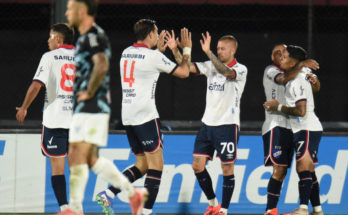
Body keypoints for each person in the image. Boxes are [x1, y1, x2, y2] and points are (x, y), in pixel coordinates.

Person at [95, 19, 192, 215]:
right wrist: (184, 49)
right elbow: (184, 72)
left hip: (128, 117)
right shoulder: (152, 57)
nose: (158, 37)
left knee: (142, 165)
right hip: (145, 117)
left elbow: (145, 70)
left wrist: (159, 52)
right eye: (156, 33)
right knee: (156, 167)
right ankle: (146, 212)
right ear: (149, 35)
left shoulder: (126, 52)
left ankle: (108, 194)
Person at [61, 1, 147, 215]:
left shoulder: (92, 36)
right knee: (90, 159)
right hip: (91, 106)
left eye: (70, 8)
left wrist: (89, 92)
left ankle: (74, 208)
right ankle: (131, 193)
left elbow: (101, 64)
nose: (66, 11)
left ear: (82, 11)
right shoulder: (86, 37)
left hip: (92, 105)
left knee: (75, 153)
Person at [169, 31, 247, 215]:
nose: (219, 51)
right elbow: (187, 67)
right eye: (217, 48)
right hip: (207, 125)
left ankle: (224, 210)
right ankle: (213, 204)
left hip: (227, 125)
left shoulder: (241, 69)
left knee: (227, 168)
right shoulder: (209, 65)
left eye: (222, 48)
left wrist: (208, 52)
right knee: (197, 165)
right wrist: (175, 50)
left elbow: (226, 71)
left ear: (233, 50)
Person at [16, 23, 75, 212]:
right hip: (77, 122)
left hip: (55, 119)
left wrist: (24, 108)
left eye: (50, 37)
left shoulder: (49, 57)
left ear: (58, 39)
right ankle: (77, 208)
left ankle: (65, 208)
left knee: (58, 169)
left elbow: (35, 86)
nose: (48, 41)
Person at [264, 45, 323, 215]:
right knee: (309, 169)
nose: (282, 57)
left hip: (306, 127)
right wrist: (312, 79)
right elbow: (283, 78)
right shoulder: (285, 72)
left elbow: (301, 111)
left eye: (285, 55)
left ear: (294, 62)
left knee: (302, 167)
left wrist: (279, 107)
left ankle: (303, 209)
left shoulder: (297, 80)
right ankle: (317, 210)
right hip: (303, 128)